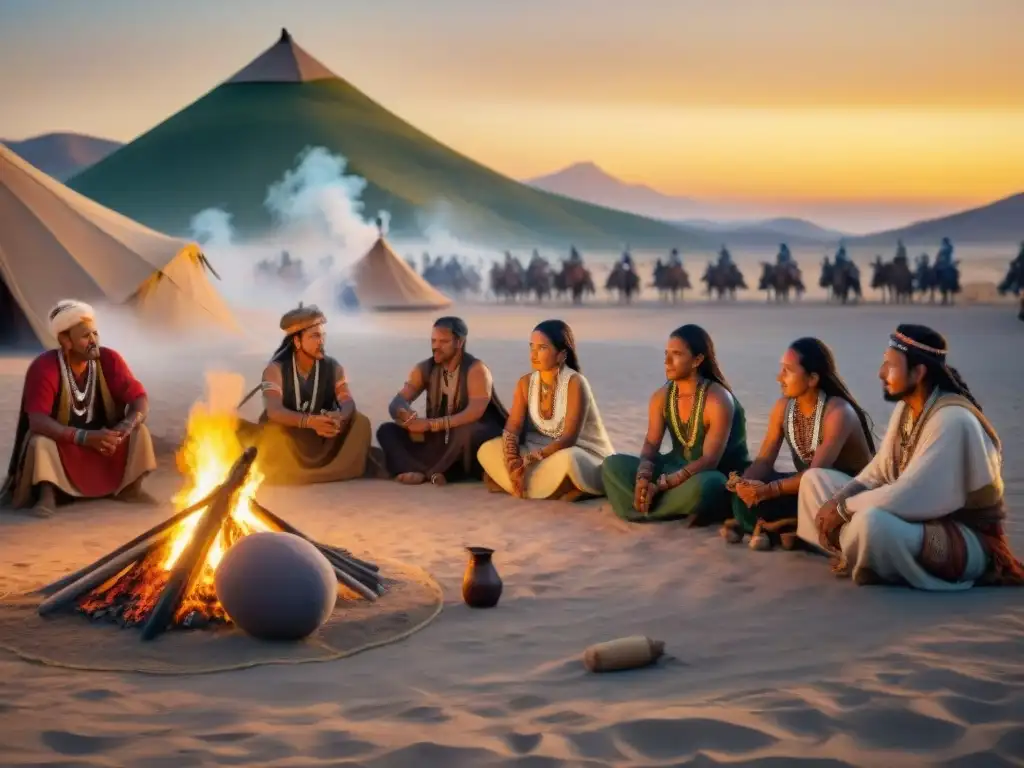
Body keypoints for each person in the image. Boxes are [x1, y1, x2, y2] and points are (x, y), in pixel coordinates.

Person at [796, 325, 1024, 589]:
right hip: (910, 517)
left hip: (962, 537)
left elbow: (905, 495)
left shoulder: (952, 419)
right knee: (813, 481)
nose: (881, 373)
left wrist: (843, 510)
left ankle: (857, 546)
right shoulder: (907, 407)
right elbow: (877, 472)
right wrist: (838, 500)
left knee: (872, 524)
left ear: (919, 372)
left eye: (890, 366)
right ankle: (858, 547)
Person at [1, 300, 157, 517]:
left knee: (140, 432)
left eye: (95, 334)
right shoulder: (44, 367)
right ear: (66, 341)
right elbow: (37, 420)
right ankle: (48, 495)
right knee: (40, 442)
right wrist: (84, 437)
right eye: (86, 336)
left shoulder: (110, 359)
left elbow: (140, 399)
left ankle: (131, 488)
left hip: (104, 445)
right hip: (64, 444)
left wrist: (124, 428)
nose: (94, 341)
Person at [723, 338, 875, 548]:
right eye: (781, 370)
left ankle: (781, 527)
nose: (779, 378)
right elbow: (765, 461)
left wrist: (766, 491)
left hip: (842, 495)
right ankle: (785, 527)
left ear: (812, 378)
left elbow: (815, 474)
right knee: (743, 495)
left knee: (798, 488)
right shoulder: (783, 408)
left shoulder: (838, 413)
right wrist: (746, 485)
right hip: (804, 490)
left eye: (787, 371)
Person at [601, 325, 750, 523]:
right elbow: (652, 444)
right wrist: (643, 478)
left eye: (677, 354)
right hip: (673, 468)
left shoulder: (717, 399)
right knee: (612, 465)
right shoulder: (661, 397)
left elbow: (710, 460)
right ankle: (657, 503)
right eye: (666, 354)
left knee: (708, 485)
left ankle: (648, 505)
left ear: (697, 360)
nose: (667, 362)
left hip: (711, 473)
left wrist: (662, 485)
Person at [237, 304, 375, 484]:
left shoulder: (334, 367)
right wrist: (309, 421)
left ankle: (328, 470)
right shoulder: (275, 370)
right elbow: (274, 411)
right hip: (287, 433)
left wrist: (340, 417)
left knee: (361, 423)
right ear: (297, 341)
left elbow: (347, 401)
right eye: (315, 336)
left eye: (322, 336)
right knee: (270, 435)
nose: (321, 341)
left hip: (322, 435)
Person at [477, 319, 613, 501]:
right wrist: (512, 461)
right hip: (537, 448)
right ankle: (543, 487)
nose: (534, 354)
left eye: (542, 348)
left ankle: (530, 486)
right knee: (488, 449)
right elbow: (513, 427)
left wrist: (528, 461)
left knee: (569, 461)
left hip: (580, 451)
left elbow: (568, 439)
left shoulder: (575, 383)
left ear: (562, 354)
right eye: (531, 347)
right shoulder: (525, 383)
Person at [377, 316, 507, 485]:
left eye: (443, 342)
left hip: (471, 436)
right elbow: (398, 401)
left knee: (468, 432)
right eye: (433, 341)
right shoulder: (425, 368)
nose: (436, 347)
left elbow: (474, 412)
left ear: (459, 342)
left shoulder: (477, 370)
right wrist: (403, 412)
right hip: (439, 440)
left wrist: (431, 424)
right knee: (387, 431)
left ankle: (433, 471)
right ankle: (431, 471)